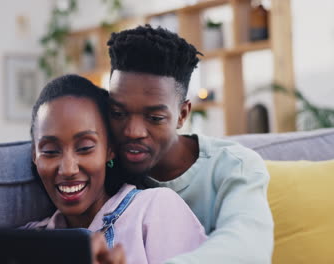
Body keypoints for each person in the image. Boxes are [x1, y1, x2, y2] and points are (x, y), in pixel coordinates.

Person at [105, 25, 274, 263]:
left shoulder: (233, 166)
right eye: (118, 113)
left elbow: (248, 250)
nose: (133, 132)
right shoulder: (102, 165)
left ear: (182, 115)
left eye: (154, 118)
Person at [24, 74, 207, 264]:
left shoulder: (155, 208)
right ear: (34, 155)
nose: (68, 169)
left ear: (109, 149)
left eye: (85, 148)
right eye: (50, 151)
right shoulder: (28, 242)